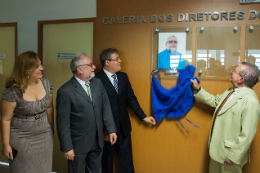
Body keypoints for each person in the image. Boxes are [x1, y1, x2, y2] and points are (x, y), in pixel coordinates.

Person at [191, 62, 260, 173]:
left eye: (234, 71)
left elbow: (247, 135)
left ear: (241, 79)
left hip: (230, 156)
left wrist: (233, 156)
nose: (231, 71)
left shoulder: (251, 101)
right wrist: (198, 89)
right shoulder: (230, 91)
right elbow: (215, 102)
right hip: (217, 151)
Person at [96, 48, 156, 173]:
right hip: (106, 131)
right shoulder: (96, 80)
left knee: (127, 163)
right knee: (106, 163)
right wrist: (102, 130)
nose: (120, 61)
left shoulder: (123, 77)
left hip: (124, 128)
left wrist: (143, 116)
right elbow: (95, 107)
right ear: (107, 62)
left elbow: (131, 98)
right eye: (117, 59)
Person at [56, 53, 117, 173]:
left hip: (97, 141)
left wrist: (111, 129)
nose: (94, 67)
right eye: (90, 65)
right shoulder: (65, 91)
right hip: (78, 144)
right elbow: (63, 123)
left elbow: (106, 107)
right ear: (80, 69)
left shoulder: (98, 84)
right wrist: (67, 147)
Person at [1, 51, 54, 173]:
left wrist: (52, 127)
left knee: (44, 169)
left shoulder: (46, 84)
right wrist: (6, 144)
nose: (42, 68)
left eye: (40, 64)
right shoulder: (13, 91)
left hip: (44, 136)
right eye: (37, 66)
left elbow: (50, 108)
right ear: (26, 70)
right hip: (21, 137)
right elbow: (5, 119)